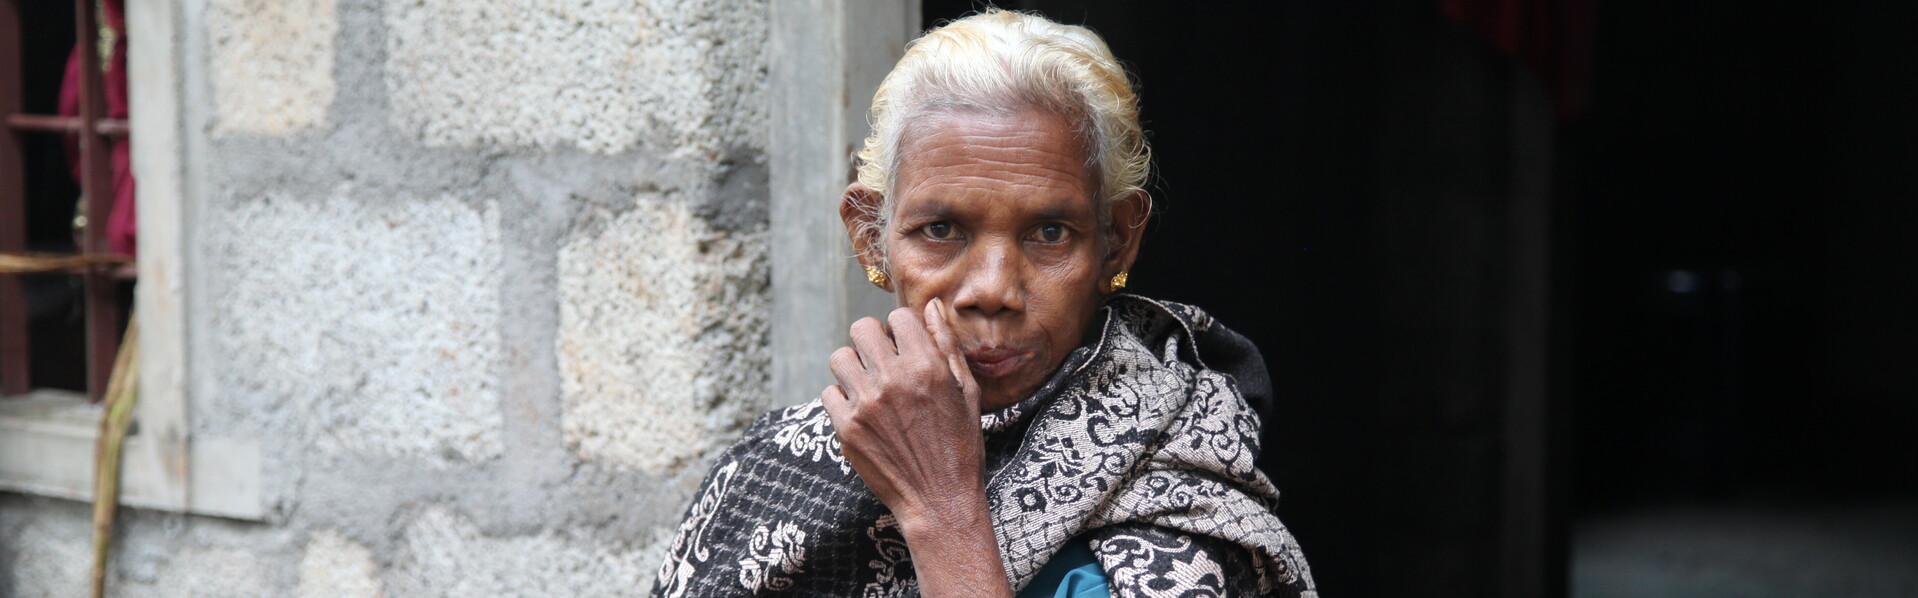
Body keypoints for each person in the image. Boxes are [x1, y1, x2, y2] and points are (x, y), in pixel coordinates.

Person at [652, 9, 1316, 597]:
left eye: (1050, 232)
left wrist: (942, 512)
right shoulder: (771, 477)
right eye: (940, 230)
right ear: (870, 238)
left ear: (1116, 240)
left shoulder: (1183, 524)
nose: (993, 289)